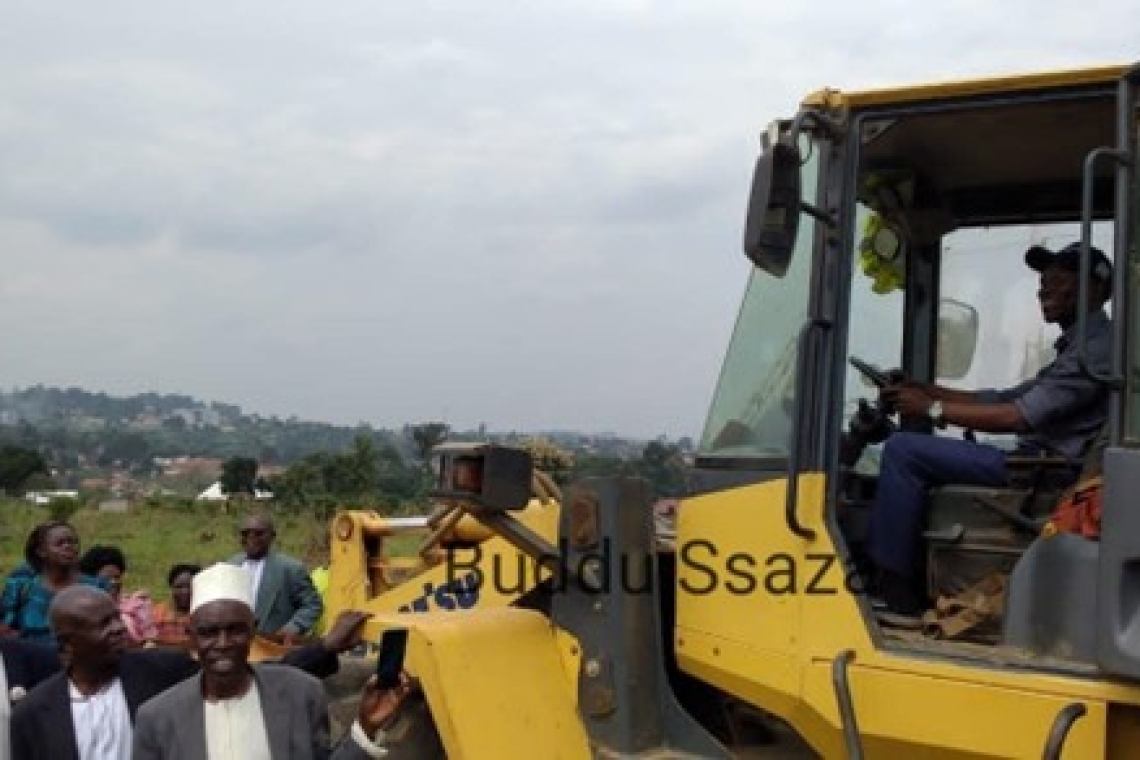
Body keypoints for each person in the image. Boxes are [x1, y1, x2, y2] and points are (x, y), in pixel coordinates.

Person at [866, 242, 1114, 623]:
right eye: (1043, 280)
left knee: (903, 450)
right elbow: (1003, 397)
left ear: (1096, 289)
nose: (1043, 288)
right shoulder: (1082, 346)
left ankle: (894, 593)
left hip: (1040, 471)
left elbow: (1017, 416)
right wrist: (926, 389)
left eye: (1059, 278)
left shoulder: (1095, 350)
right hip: (1038, 461)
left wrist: (930, 410)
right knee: (914, 447)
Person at [8, 585, 373, 760]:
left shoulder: (159, 671)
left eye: (116, 618)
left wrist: (324, 648)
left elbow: (244, 671)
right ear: (68, 643)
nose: (119, 628)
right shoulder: (32, 715)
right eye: (102, 625)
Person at [132, 563, 411, 759]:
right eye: (208, 632)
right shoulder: (156, 719)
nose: (223, 643)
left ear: (252, 629)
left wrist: (365, 729)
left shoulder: (301, 693)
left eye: (235, 629)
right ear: (191, 636)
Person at [0, 522, 107, 644]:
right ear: (41, 551)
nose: (68, 546)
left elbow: (107, 632)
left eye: (73, 542)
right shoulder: (21, 588)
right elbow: (5, 632)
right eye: (60, 543)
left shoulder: (96, 588)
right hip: (30, 659)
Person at [228, 514, 324, 639]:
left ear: (272, 536)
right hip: (236, 643)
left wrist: (294, 627)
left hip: (273, 646)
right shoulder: (231, 565)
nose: (251, 537)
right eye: (245, 533)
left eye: (259, 533)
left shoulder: (290, 569)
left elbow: (313, 604)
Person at [78, 544, 157, 644]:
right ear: (92, 580)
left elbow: (150, 641)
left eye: (117, 577)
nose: (114, 582)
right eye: (107, 578)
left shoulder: (137, 605)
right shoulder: (80, 607)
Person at [150, 563, 200, 647]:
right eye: (179, 587)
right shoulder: (158, 613)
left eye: (190, 587)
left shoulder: (203, 615)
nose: (185, 592)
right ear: (171, 588)